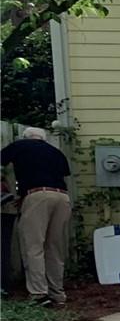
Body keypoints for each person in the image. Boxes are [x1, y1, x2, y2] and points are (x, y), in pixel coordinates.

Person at [2, 127, 72, 306]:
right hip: (62, 197)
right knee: (54, 247)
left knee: (33, 246)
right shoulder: (56, 153)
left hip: (37, 195)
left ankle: (39, 294)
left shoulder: (20, 145)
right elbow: (59, 175)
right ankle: (58, 294)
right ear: (43, 139)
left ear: (26, 137)